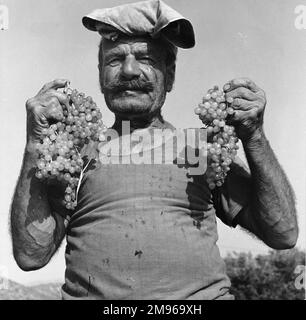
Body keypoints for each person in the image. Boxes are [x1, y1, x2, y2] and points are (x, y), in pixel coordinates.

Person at [10, 0, 298, 300]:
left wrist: (254, 138)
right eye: (115, 59)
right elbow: (31, 256)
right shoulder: (76, 156)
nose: (129, 71)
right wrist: (35, 144)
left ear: (169, 74)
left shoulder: (199, 151)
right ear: (100, 74)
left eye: (145, 58)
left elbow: (283, 234)